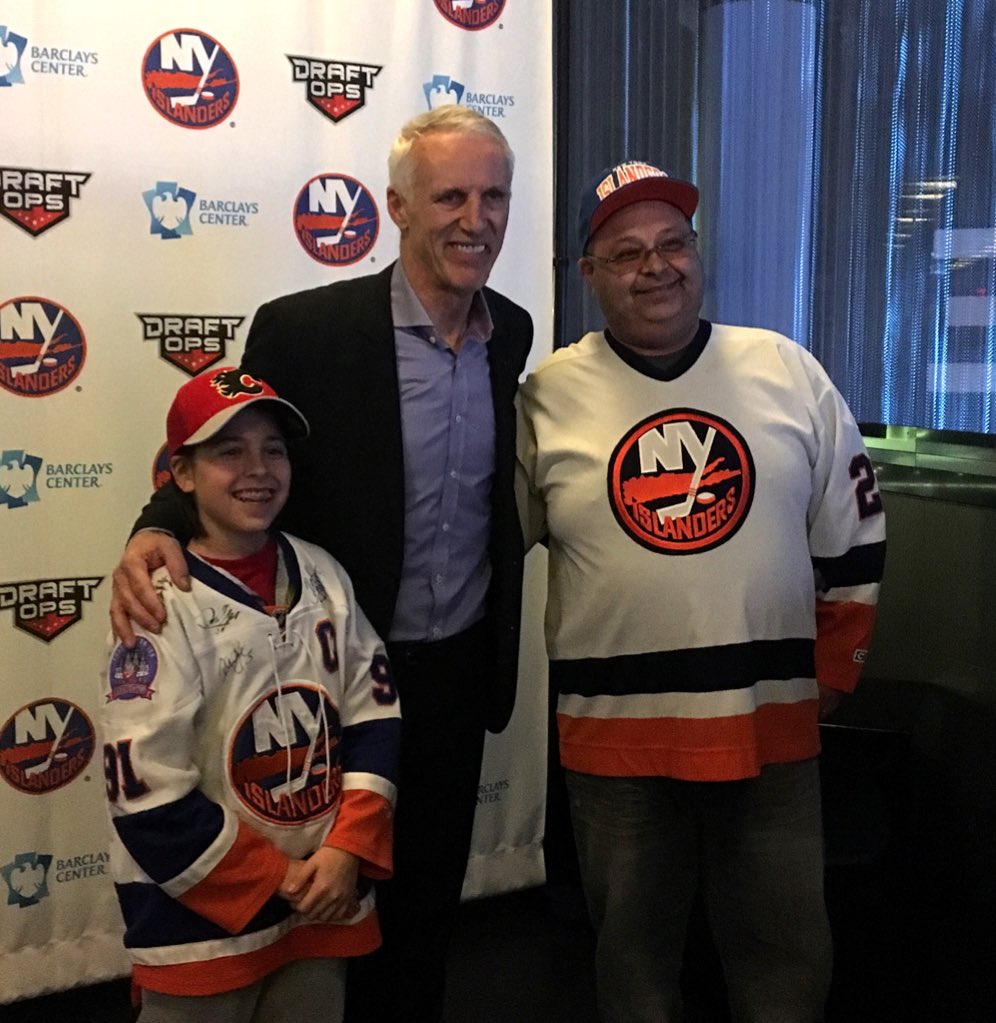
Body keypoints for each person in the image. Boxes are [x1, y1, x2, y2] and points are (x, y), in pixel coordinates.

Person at [109, 105, 533, 1022]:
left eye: (494, 195)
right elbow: (233, 446)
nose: (476, 217)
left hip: (456, 670)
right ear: (398, 208)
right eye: (451, 194)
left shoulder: (514, 332)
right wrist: (156, 525)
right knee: (323, 908)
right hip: (332, 677)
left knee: (425, 908)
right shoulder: (308, 329)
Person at [515, 161, 887, 1023]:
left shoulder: (785, 369)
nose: (657, 266)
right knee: (634, 968)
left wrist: (836, 665)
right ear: (589, 274)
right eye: (627, 252)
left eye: (673, 243)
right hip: (615, 747)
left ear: (698, 251)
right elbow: (483, 541)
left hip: (771, 724)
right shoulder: (546, 395)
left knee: (786, 962)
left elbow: (854, 525)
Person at [101, 367, 401, 1023]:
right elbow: (145, 790)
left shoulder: (323, 572)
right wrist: (280, 878)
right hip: (196, 928)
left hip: (322, 904)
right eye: (228, 451)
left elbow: (374, 716)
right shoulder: (160, 600)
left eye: (273, 448)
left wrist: (345, 850)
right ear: (181, 473)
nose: (257, 469)